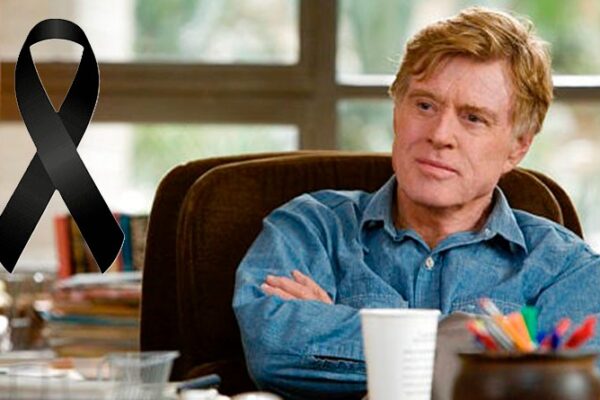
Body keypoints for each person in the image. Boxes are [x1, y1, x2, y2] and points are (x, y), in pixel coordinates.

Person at [233, 6, 600, 400]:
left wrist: (346, 328)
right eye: (425, 105)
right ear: (397, 113)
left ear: (518, 147)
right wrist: (485, 352)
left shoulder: (566, 270)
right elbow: (274, 350)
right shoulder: (310, 229)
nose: (440, 134)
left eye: (473, 118)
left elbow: (564, 388)